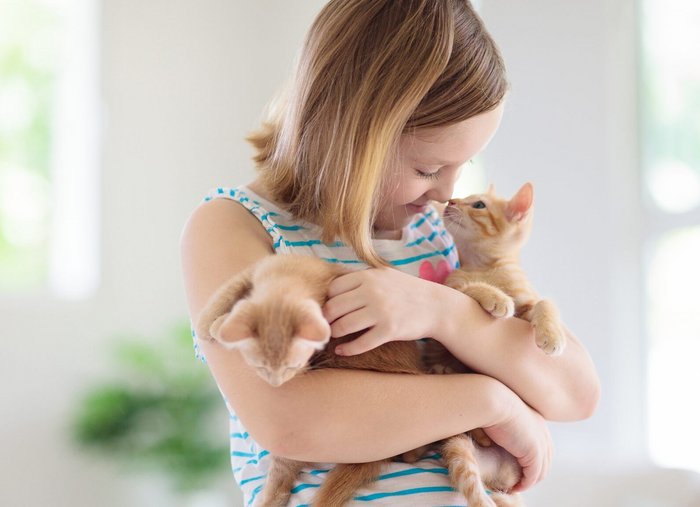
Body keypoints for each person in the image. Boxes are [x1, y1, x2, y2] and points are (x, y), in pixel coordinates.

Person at [180, 0, 600, 505]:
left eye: (461, 166)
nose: (447, 193)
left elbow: (575, 393)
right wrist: (492, 403)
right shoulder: (236, 224)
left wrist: (442, 311)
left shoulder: (441, 235)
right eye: (428, 169)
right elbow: (290, 421)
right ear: (347, 131)